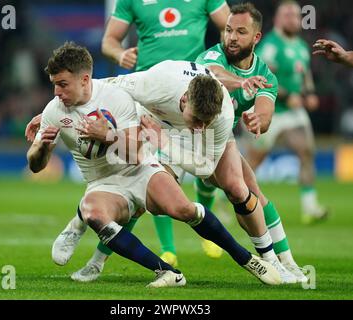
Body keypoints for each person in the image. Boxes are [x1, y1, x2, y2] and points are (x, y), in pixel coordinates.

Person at [26, 42, 281, 287]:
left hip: (144, 159)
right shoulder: (149, 85)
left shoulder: (219, 111)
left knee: (185, 209)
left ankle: (247, 258)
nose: (57, 92)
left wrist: (111, 136)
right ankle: (162, 270)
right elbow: (36, 165)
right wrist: (43, 140)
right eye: (56, 86)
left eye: (62, 85)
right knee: (95, 212)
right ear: (183, 101)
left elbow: (143, 156)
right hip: (112, 174)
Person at [101, 0, 230, 267]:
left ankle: (205, 226)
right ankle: (168, 249)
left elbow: (230, 28)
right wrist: (119, 54)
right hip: (152, 94)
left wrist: (216, 60)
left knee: (209, 174)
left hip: (198, 97)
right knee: (151, 173)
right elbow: (109, 41)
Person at [193, 2, 306, 282]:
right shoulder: (211, 57)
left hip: (218, 141)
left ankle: (286, 262)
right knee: (143, 198)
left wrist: (259, 121)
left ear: (256, 37)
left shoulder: (266, 75)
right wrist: (240, 84)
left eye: (240, 32)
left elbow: (266, 111)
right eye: (228, 30)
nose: (231, 37)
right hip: (183, 136)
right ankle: (271, 263)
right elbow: (213, 75)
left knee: (248, 190)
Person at [244, 0, 328, 225]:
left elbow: (305, 74)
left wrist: (309, 93)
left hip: (293, 113)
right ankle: (226, 197)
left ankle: (310, 207)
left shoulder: (301, 46)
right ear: (279, 19)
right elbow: (263, 79)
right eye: (289, 15)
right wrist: (286, 96)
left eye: (297, 15)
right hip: (268, 110)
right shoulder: (270, 45)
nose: (294, 19)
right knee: (252, 163)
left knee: (306, 151)